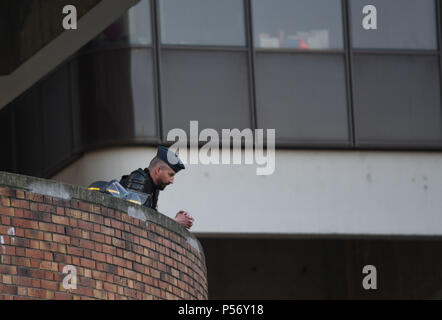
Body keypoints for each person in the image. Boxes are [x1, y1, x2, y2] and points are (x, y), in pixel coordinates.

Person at [119, 146, 194, 229]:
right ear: (158, 170)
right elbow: (134, 221)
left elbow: (152, 220)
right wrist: (175, 222)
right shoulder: (140, 179)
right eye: (171, 175)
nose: (172, 181)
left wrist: (175, 221)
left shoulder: (153, 187)